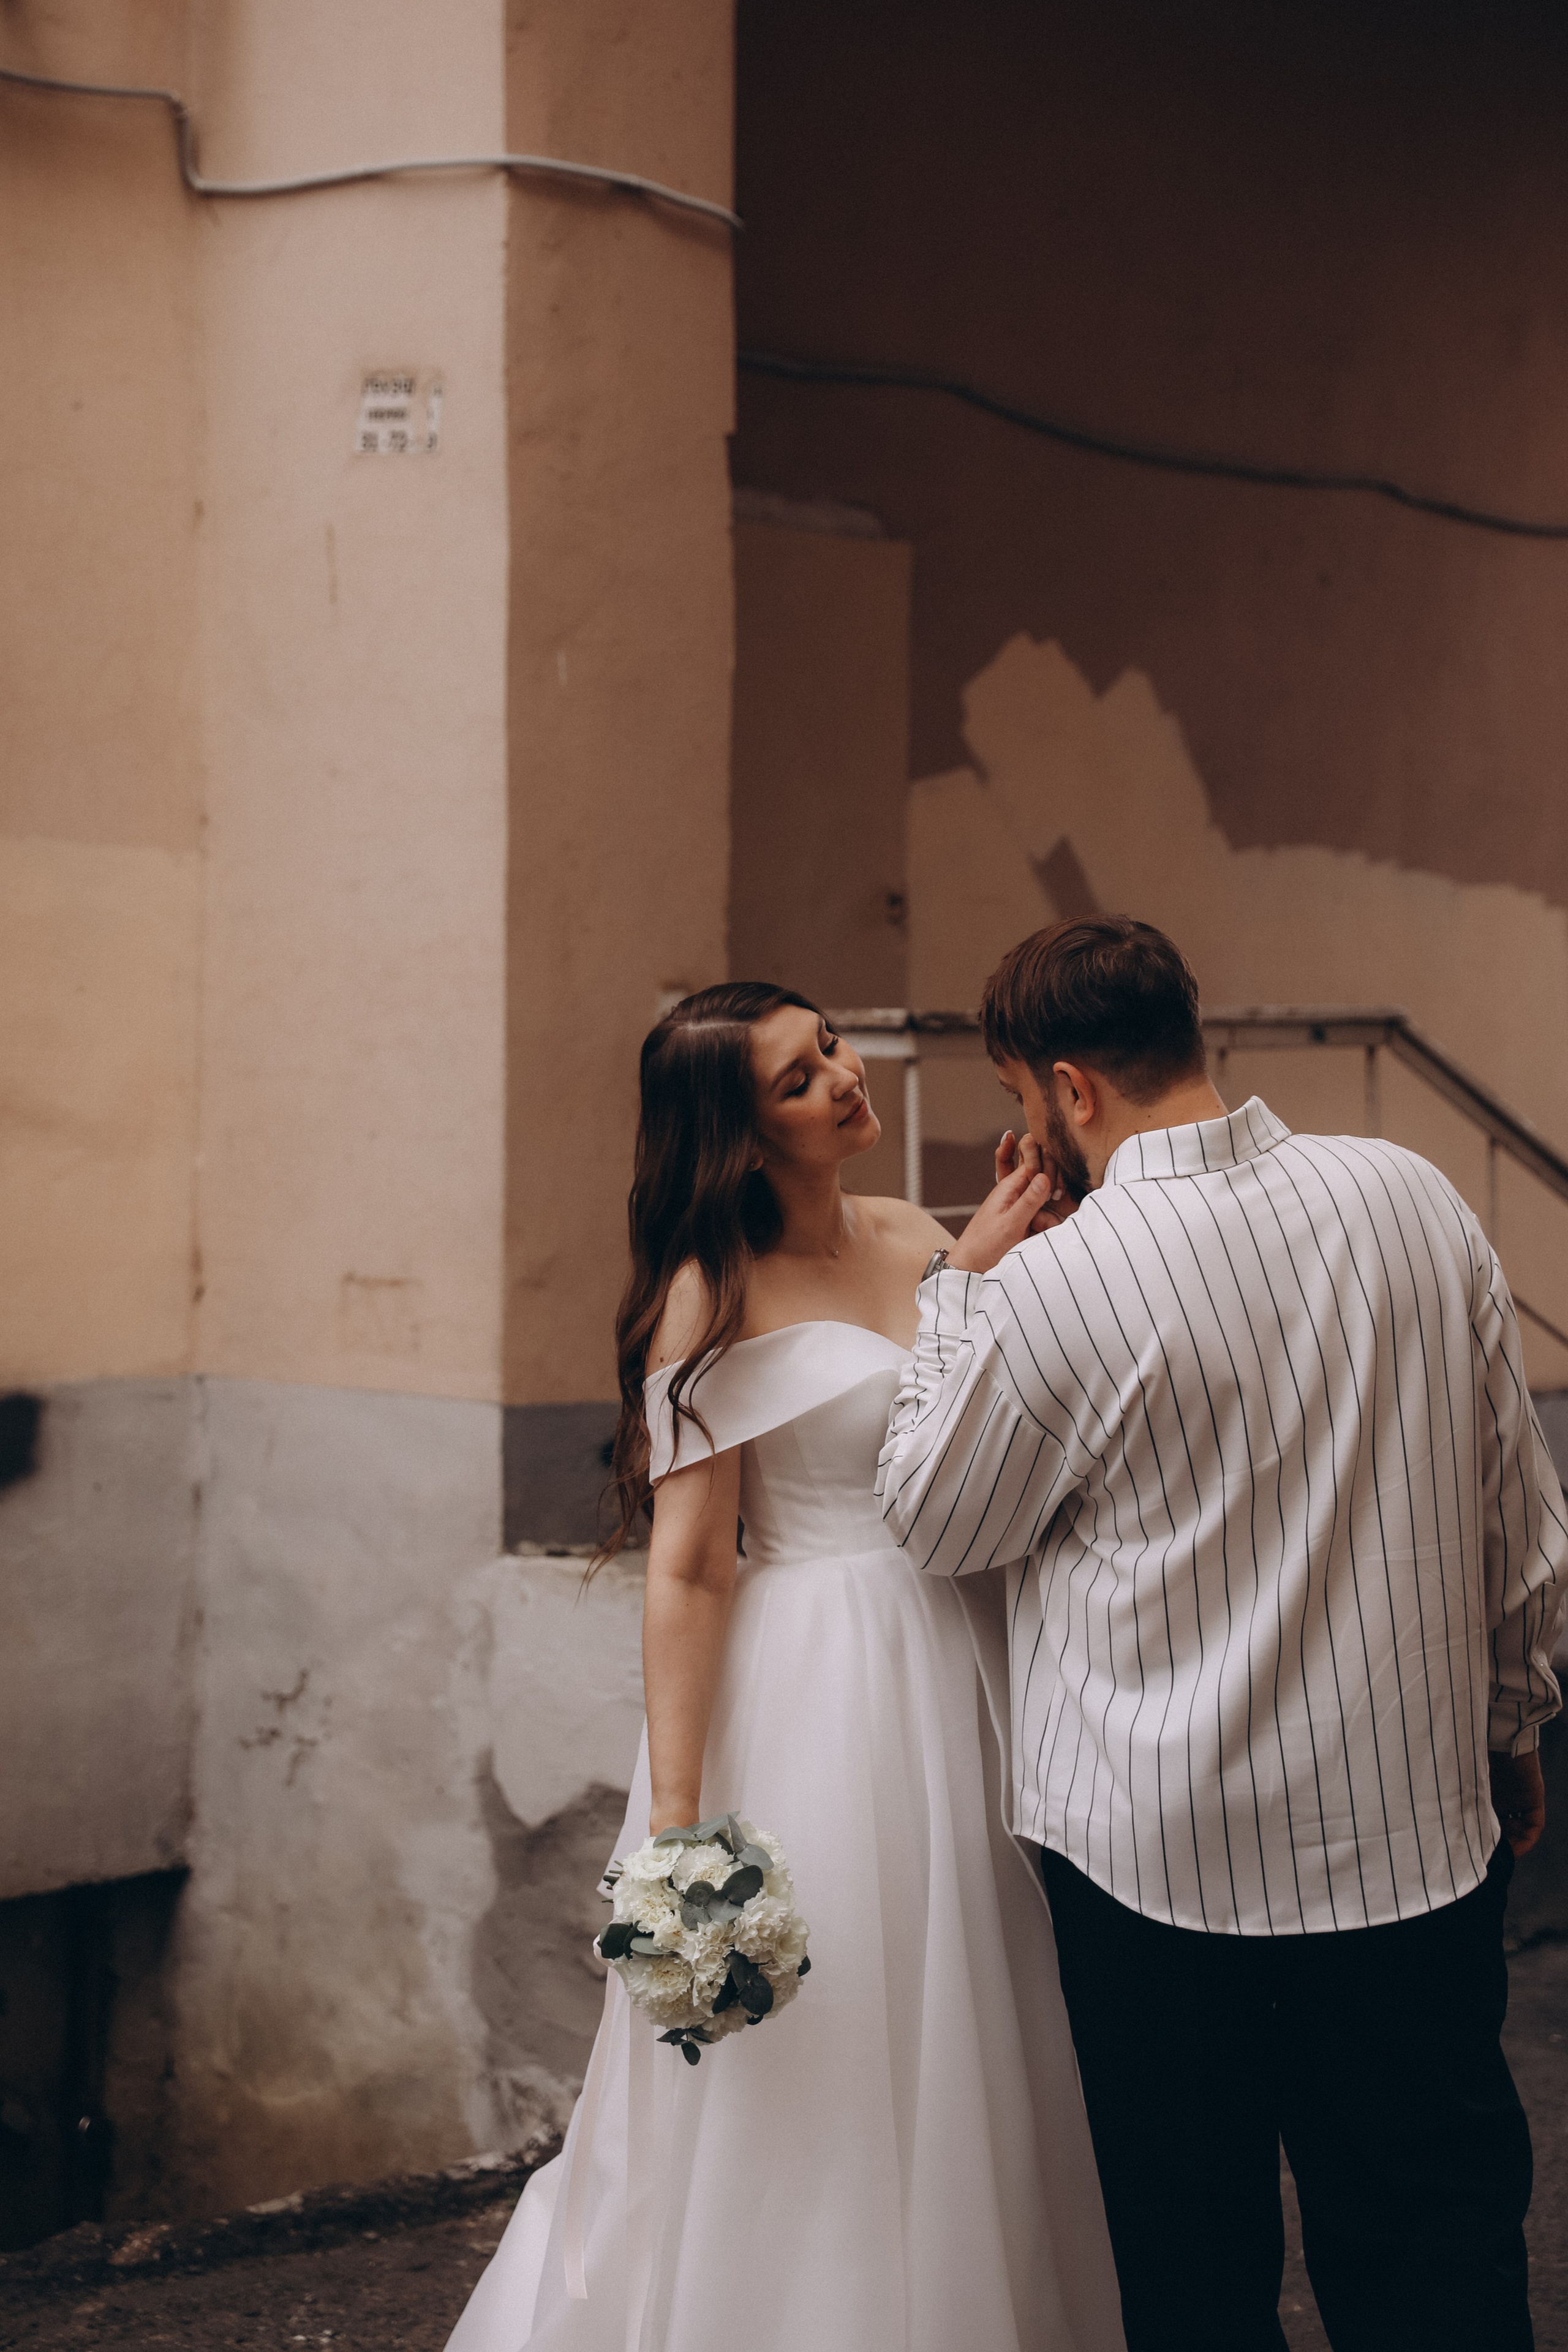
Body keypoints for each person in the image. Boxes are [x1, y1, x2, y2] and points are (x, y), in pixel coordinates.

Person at [878, 914, 1567, 2352]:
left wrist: (955, 1293)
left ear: (1067, 1088)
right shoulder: (1410, 1194)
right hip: (1405, 1838)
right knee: (1436, 2245)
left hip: (1151, 1862)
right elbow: (1514, 1492)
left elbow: (938, 1523)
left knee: (1189, 2265)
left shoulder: (1057, 1284)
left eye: (1021, 1101)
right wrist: (1513, 1722)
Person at [446, 982, 1125, 2352]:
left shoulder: (912, 1231)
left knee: (980, 2017)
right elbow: (691, 1566)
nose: (844, 1074)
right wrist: (682, 1830)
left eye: (828, 1045)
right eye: (799, 1077)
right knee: (831, 2043)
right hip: (816, 1688)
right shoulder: (710, 1289)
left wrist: (981, 1264)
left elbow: (951, 1420)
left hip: (959, 1653)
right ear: (739, 1137)